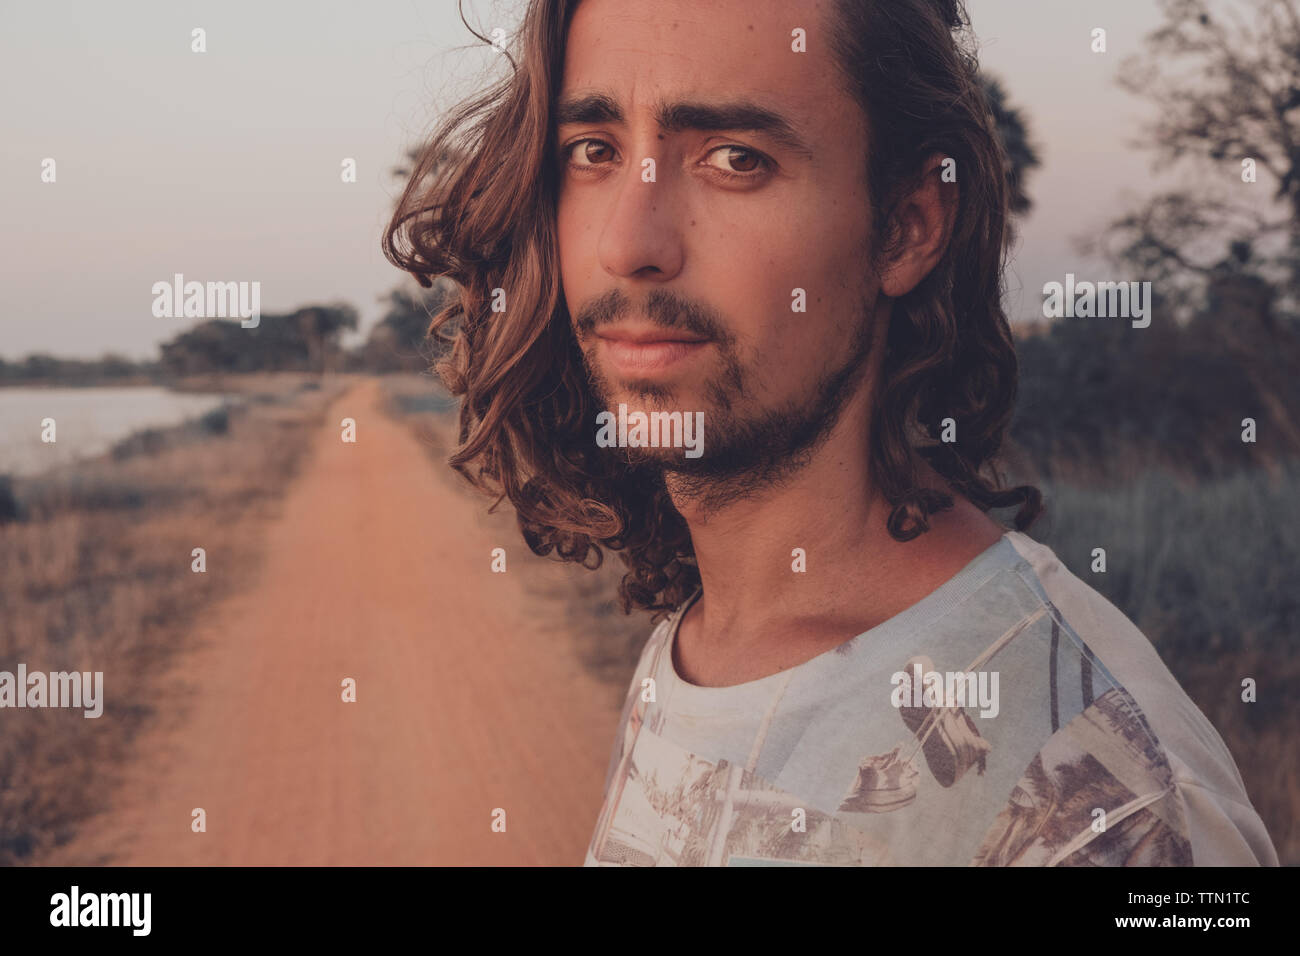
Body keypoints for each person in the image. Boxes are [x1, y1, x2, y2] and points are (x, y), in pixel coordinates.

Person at [383, 0, 1278, 866]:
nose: (630, 243)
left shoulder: (1101, 802)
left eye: (735, 158)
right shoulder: (701, 641)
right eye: (594, 151)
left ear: (906, 228)